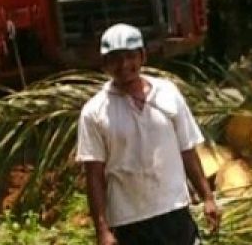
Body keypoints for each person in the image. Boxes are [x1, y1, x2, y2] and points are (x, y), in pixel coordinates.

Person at [76, 23, 221, 245]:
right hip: (130, 221)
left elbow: (188, 150)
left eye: (130, 56)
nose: (124, 65)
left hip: (174, 210)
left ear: (143, 56)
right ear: (105, 64)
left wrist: (208, 198)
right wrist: (102, 231)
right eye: (115, 59)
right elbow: (94, 176)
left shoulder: (168, 93)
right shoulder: (94, 112)